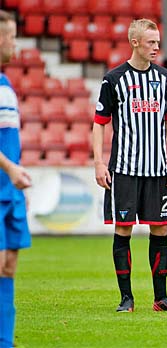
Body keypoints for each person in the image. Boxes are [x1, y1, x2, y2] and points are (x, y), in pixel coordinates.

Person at [92, 18, 167, 313]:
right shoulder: (114, 79)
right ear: (135, 43)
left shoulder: (164, 78)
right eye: (151, 42)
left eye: (158, 42)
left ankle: (161, 298)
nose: (157, 47)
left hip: (156, 170)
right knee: (123, 230)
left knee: (161, 230)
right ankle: (126, 298)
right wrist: (98, 162)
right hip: (124, 169)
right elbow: (99, 123)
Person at [0, 10, 33, 348]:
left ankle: (5, 341)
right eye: (9, 36)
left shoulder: (6, 84)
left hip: (11, 193)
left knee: (8, 266)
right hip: (1, 185)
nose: (14, 43)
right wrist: (9, 168)